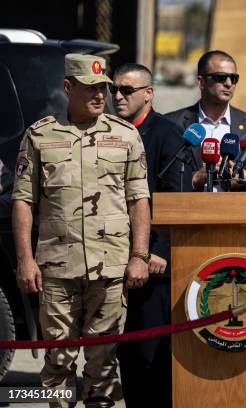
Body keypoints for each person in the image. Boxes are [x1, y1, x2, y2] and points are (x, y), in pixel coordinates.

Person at [11, 54, 151, 407]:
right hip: (57, 269)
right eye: (89, 88)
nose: (100, 95)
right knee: (57, 360)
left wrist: (139, 256)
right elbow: (23, 200)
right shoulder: (40, 135)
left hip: (111, 267)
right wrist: (25, 261)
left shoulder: (126, 135)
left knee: (103, 364)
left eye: (102, 88)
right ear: (68, 88)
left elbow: (139, 199)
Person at [111, 63, 183, 408]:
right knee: (126, 359)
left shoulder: (167, 135)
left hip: (153, 267)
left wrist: (158, 251)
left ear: (148, 93)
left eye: (127, 90)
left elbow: (176, 202)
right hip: (113, 261)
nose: (118, 96)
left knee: (152, 358)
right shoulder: (107, 131)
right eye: (115, 89)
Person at [165, 50, 246, 191]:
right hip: (188, 209)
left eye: (234, 78)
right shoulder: (172, 124)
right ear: (201, 82)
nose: (229, 83)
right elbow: (161, 176)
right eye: (221, 78)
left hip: (238, 210)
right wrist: (194, 178)